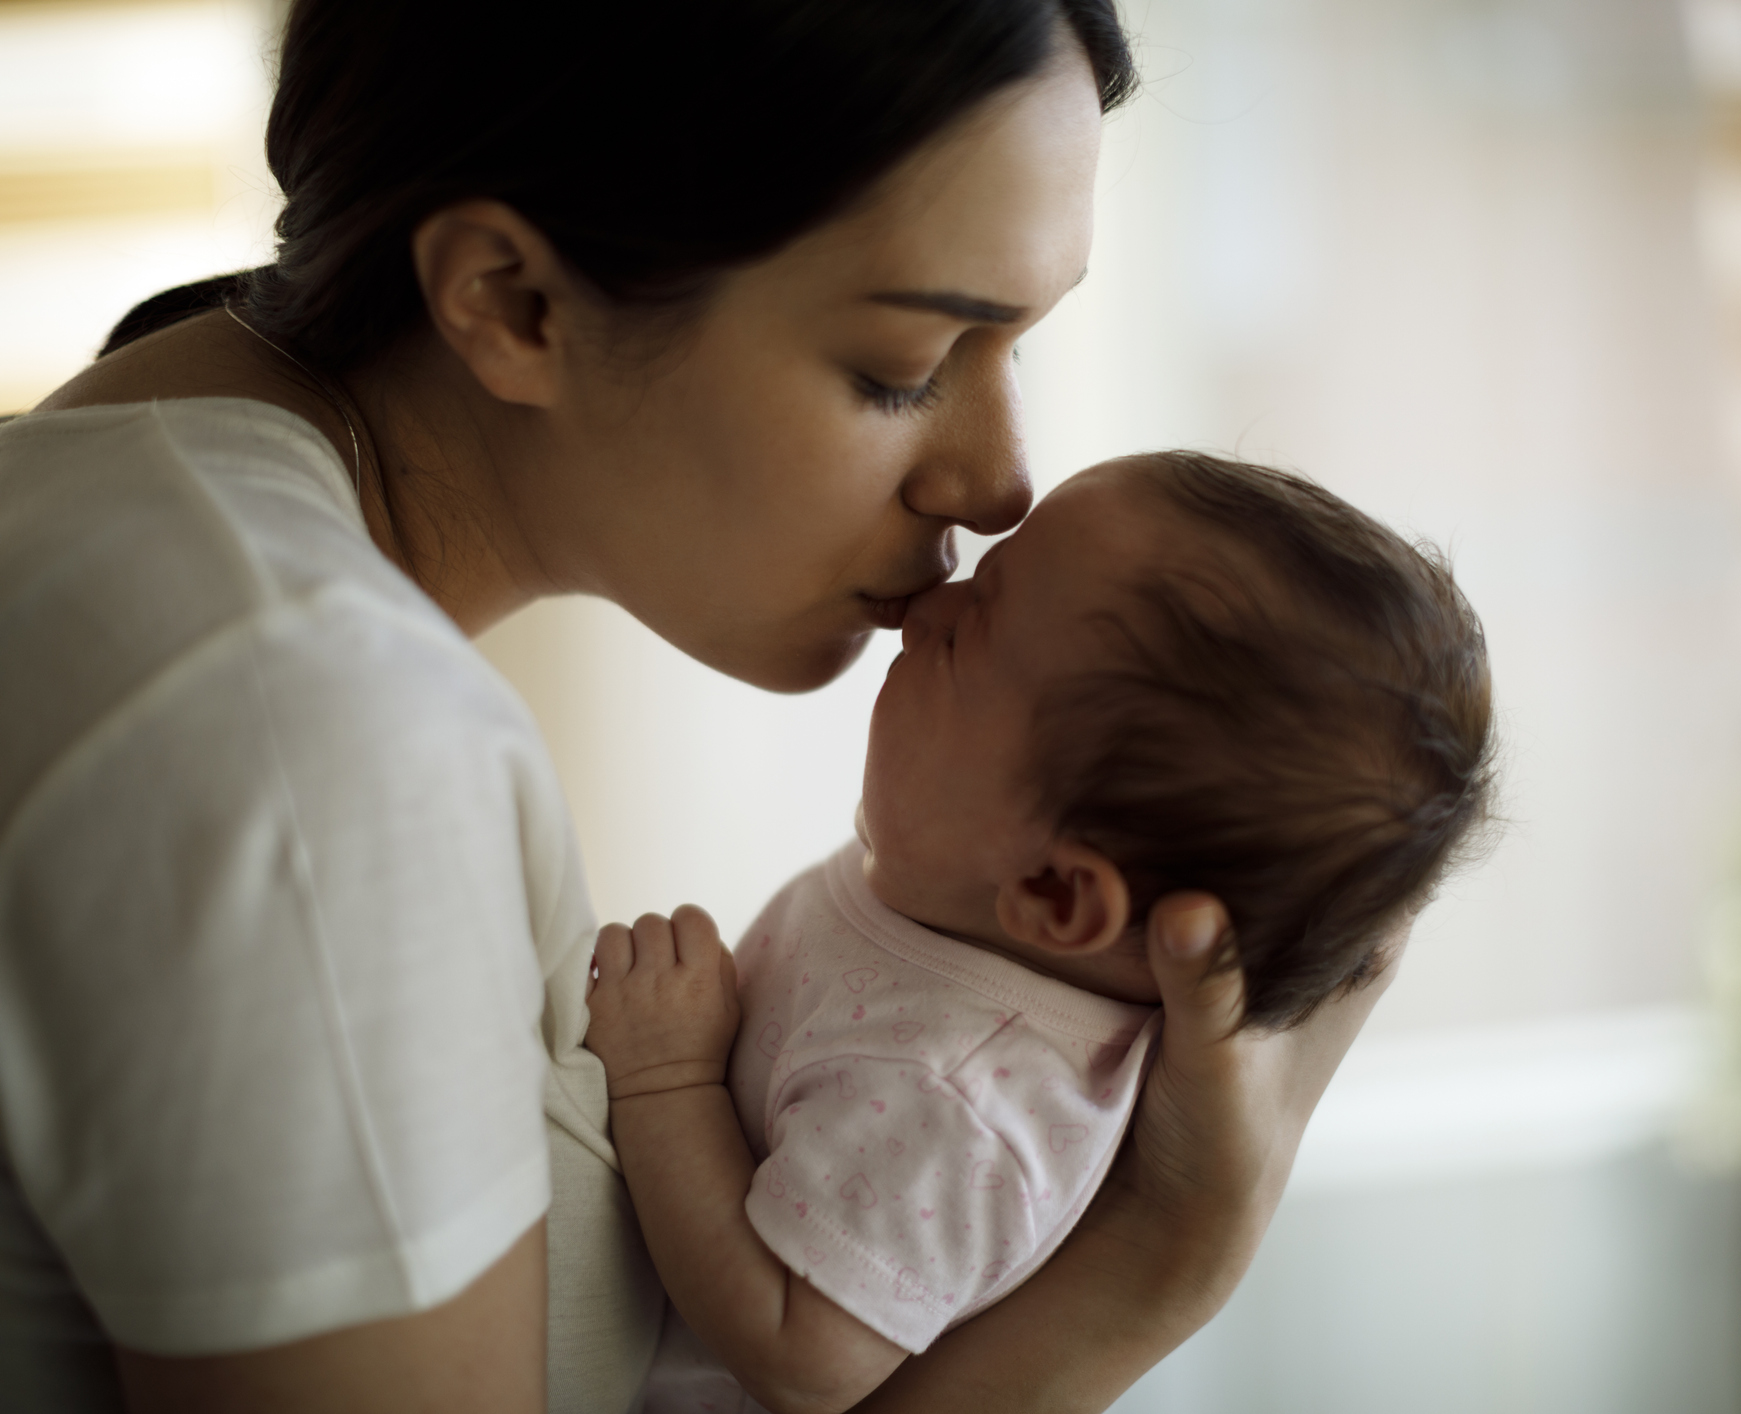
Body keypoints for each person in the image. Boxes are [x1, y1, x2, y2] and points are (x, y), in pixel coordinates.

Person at [0, 2, 1405, 1411]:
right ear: (511, 298)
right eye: (904, 366)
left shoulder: (114, 526)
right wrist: (1152, 1269)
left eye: (1016, 347)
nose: (999, 486)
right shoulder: (306, 725)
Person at [583, 452, 1495, 1414]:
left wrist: (665, 1080)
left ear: (1058, 893)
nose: (928, 607)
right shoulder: (963, 901)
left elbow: (793, 1353)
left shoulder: (960, 1101)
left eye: (971, 630)